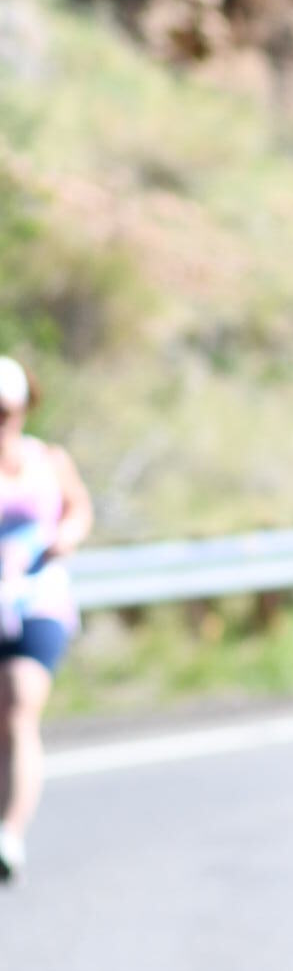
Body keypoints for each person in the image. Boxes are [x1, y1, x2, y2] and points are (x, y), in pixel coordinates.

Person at [0, 355, 92, 885]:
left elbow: (79, 507)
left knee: (19, 704)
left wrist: (67, 536)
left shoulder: (48, 460)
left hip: (38, 602)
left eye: (5, 411)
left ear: (23, 409)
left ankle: (10, 833)